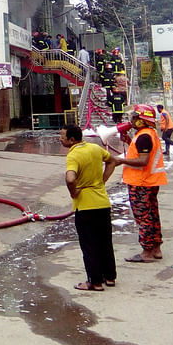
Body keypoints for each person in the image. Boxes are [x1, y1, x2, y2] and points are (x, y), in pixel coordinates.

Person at [61, 124, 118, 291]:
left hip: (86, 207)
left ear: (72, 140)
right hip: (102, 203)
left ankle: (95, 281)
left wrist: (74, 192)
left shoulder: (73, 155)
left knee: (89, 244)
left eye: (62, 136)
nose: (60, 139)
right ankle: (110, 277)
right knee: (105, 241)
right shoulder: (95, 148)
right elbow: (112, 161)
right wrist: (102, 180)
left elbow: (70, 179)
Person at [117, 104, 167, 263]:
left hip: (141, 182)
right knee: (152, 214)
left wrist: (119, 160)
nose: (132, 120)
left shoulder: (144, 136)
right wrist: (129, 140)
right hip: (150, 181)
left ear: (142, 119)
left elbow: (143, 160)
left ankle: (146, 251)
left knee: (143, 217)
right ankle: (156, 248)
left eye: (134, 117)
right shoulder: (147, 134)